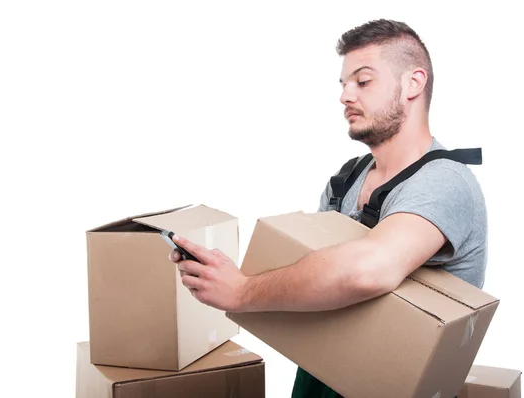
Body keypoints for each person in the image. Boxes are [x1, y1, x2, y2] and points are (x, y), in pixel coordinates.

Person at [168, 18, 487, 398]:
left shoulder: (445, 181)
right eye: (344, 84)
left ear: (413, 84)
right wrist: (225, 276)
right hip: (319, 381)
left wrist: (241, 291)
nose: (346, 96)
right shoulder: (346, 180)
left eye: (363, 82)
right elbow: (316, 282)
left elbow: (369, 270)